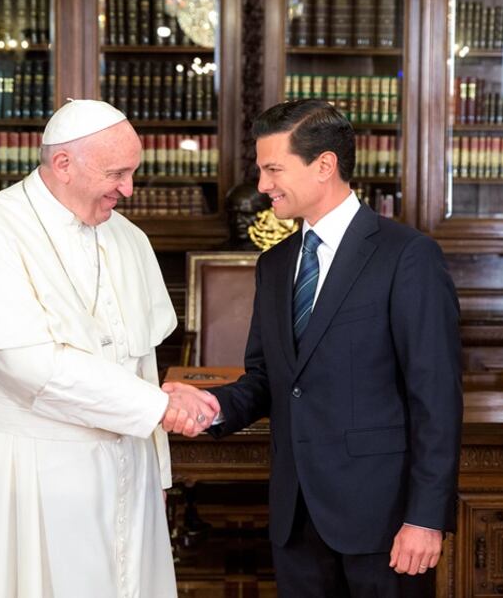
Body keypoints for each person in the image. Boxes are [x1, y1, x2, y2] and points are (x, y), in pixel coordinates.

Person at [0, 99, 219, 598]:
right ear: (62, 164)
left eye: (132, 172)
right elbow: (30, 369)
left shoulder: (128, 237)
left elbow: (141, 360)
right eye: (116, 174)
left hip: (124, 465)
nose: (129, 189)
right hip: (20, 469)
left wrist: (159, 470)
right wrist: (160, 407)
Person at [165, 99, 463, 597]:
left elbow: (436, 399)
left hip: (384, 523)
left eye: (273, 169)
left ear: (324, 165)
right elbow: (268, 379)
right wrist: (211, 406)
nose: (262, 185)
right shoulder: (275, 263)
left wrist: (425, 518)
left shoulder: (408, 256)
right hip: (295, 519)